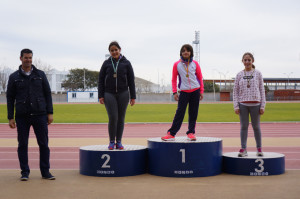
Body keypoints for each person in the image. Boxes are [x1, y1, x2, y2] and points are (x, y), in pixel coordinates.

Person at [6, 49, 55, 181]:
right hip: (22, 116)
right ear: (20, 58)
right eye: (26, 58)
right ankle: (25, 172)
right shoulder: (14, 77)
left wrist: (50, 112)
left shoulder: (40, 74)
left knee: (44, 144)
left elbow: (47, 94)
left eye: (30, 58)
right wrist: (10, 117)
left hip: (40, 114)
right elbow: (10, 98)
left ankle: (45, 172)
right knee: (22, 145)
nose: (28, 60)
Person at [161, 44, 204, 141]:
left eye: (188, 50)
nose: (186, 52)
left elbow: (200, 78)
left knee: (193, 113)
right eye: (184, 50)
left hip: (195, 91)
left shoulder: (195, 64)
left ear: (191, 53)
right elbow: (173, 79)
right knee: (180, 112)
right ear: (181, 52)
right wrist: (174, 92)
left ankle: (191, 133)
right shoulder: (177, 64)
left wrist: (201, 91)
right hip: (184, 92)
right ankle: (171, 133)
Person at [98, 41, 136, 150]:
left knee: (121, 118)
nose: (114, 52)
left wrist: (133, 96)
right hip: (109, 93)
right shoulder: (106, 63)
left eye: (116, 50)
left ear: (120, 50)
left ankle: (118, 141)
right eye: (112, 50)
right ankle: (111, 141)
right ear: (109, 52)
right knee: (113, 117)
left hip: (123, 93)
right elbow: (100, 80)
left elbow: (131, 81)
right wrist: (100, 95)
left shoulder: (126, 63)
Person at [233, 52, 266, 157]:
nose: (247, 62)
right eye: (245, 60)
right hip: (243, 104)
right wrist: (236, 106)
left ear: (252, 61)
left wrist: (262, 105)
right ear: (242, 61)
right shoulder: (239, 75)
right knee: (244, 126)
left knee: (256, 127)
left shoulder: (258, 73)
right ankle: (243, 149)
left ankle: (259, 148)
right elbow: (235, 91)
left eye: (249, 60)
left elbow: (262, 89)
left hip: (256, 104)